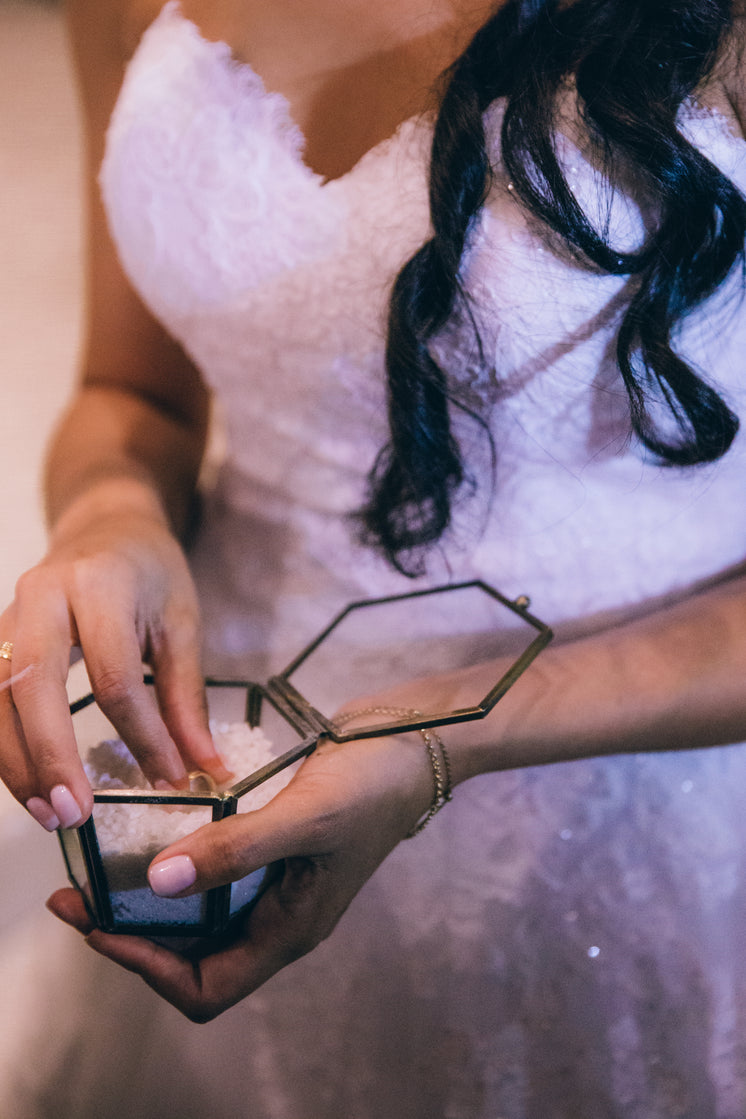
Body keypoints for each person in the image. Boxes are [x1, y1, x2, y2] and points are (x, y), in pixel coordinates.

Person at [3, 0, 746, 1113]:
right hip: (220, 764)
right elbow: (134, 389)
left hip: (625, 784)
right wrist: (110, 515)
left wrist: (446, 737)